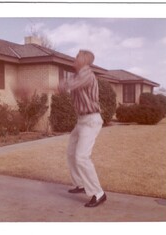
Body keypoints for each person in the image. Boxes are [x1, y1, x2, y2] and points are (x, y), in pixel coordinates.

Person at [58, 50, 106, 207]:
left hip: (91, 120)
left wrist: (51, 86)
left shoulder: (87, 74)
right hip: (82, 121)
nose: (74, 58)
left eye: (77, 56)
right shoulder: (76, 75)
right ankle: (80, 183)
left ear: (85, 60)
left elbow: (69, 85)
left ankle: (98, 193)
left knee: (82, 157)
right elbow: (67, 85)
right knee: (71, 153)